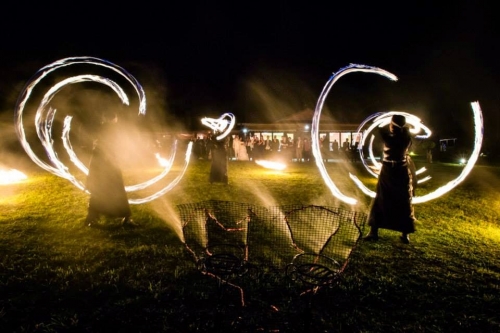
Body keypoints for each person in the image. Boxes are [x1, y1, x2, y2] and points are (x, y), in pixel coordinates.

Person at [363, 114, 416, 244]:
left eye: (391, 123)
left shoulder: (393, 137)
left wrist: (383, 122)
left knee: (387, 198)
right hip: (397, 170)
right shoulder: (406, 137)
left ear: (393, 125)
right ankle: (402, 233)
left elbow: (377, 130)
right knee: (398, 199)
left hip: (393, 170)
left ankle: (375, 232)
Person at [84, 111, 137, 228]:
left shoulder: (103, 129)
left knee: (99, 191)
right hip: (107, 166)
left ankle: (92, 218)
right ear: (113, 119)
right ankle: (125, 218)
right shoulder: (109, 130)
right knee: (113, 191)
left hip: (104, 166)